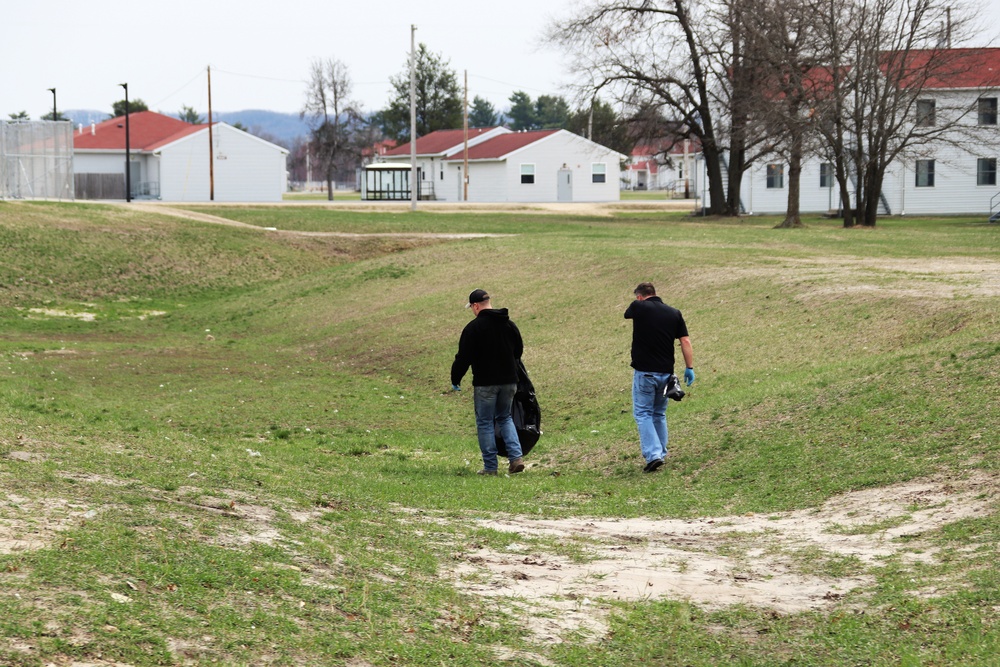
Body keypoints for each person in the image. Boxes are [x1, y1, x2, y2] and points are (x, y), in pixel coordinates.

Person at [451, 289, 526, 476]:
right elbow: (518, 352)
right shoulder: (509, 325)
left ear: (475, 306)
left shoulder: (473, 328)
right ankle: (516, 458)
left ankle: (490, 467)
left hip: (485, 383)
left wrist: (455, 378)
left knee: (485, 422)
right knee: (505, 417)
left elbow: (463, 358)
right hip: (509, 381)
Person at [624, 282, 695, 473]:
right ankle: (661, 453)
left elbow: (627, 313)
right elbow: (685, 340)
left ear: (639, 296)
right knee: (658, 413)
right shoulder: (674, 313)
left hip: (645, 373)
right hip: (666, 374)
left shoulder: (638, 306)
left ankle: (653, 455)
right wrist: (689, 367)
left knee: (643, 413)